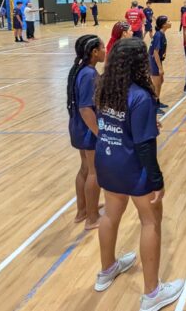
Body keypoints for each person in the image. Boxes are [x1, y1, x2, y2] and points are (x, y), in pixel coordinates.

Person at [93, 38, 184, 309]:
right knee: (150, 221)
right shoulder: (141, 96)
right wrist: (156, 180)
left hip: (106, 160)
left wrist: (144, 122)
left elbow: (115, 122)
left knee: (110, 215)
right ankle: (152, 293)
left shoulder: (105, 87)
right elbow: (144, 146)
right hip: (132, 166)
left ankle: (106, 270)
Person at [67, 35, 105, 231]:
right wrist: (99, 133)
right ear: (94, 52)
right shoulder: (88, 74)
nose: (105, 50)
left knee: (84, 168)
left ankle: (82, 210)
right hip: (87, 129)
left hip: (77, 127)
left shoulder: (81, 70)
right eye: (102, 47)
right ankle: (92, 218)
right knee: (93, 171)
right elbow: (85, 108)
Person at [149, 16, 171, 111]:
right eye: (168, 21)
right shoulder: (158, 35)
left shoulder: (161, 34)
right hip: (153, 61)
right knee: (157, 84)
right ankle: (154, 106)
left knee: (160, 81)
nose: (170, 22)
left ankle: (157, 101)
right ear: (163, 24)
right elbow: (155, 52)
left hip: (157, 61)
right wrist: (160, 68)